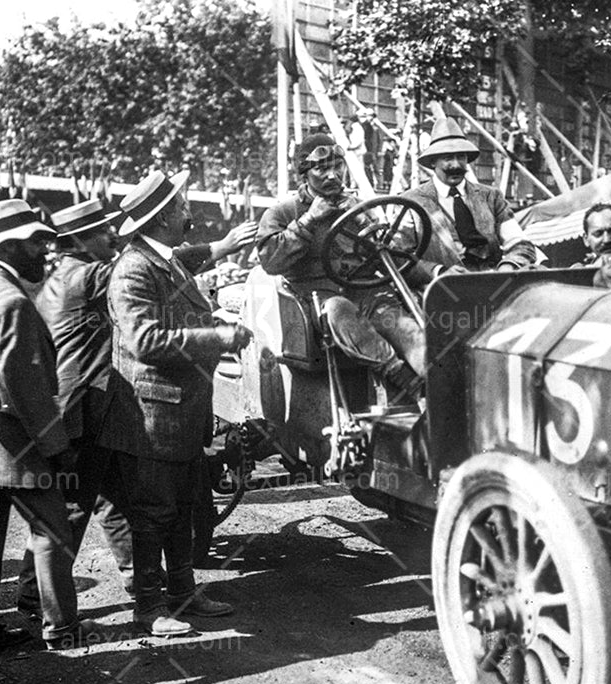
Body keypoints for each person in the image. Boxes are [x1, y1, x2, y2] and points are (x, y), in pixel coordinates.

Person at [13, 201, 259, 612]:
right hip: (87, 408)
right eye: (101, 232)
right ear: (77, 242)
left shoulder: (61, 275)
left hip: (92, 403)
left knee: (115, 501)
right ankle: (36, 591)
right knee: (78, 504)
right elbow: (159, 262)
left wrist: (219, 246)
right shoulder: (94, 274)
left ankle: (138, 582)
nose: (113, 236)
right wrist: (219, 248)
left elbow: (165, 259)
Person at [97, 169, 251, 637]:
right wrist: (217, 337)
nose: (189, 209)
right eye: (182, 204)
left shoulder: (162, 259)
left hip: (178, 413)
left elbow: (185, 263)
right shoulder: (133, 269)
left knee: (182, 507)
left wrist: (222, 248)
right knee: (152, 515)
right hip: (150, 415)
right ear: (163, 216)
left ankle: (183, 593)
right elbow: (145, 340)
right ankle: (148, 608)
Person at [0, 199, 96, 651]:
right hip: (18, 439)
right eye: (35, 243)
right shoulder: (11, 301)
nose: (44, 253)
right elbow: (27, 388)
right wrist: (57, 446)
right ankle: (62, 628)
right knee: (52, 532)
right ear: (7, 246)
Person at [257, 133, 425, 395]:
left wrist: (366, 225)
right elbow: (270, 260)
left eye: (338, 166)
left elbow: (386, 254)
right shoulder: (283, 212)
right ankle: (404, 379)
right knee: (339, 308)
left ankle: (440, 385)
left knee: (407, 329)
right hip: (316, 302)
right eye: (322, 168)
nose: (333, 175)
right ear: (304, 174)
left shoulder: (357, 206)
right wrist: (308, 220)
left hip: (366, 294)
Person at [401, 118, 539, 273]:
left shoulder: (491, 197)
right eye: (448, 158)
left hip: (494, 284)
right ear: (433, 162)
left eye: (461, 157)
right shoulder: (410, 202)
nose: (456, 165)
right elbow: (398, 258)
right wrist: (438, 272)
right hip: (440, 291)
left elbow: (521, 244)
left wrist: (508, 266)